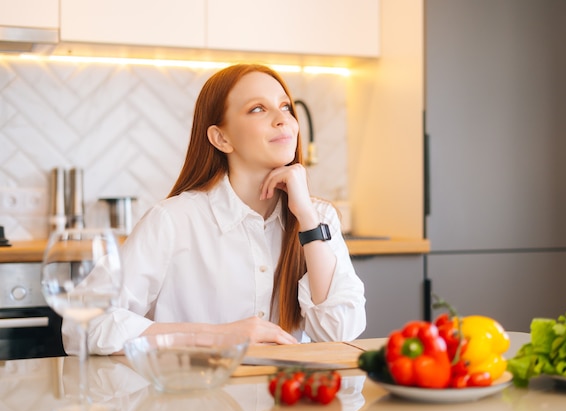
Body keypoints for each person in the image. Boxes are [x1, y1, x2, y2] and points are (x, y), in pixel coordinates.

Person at [63, 63, 366, 355]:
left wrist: (308, 219)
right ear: (221, 138)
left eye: (285, 106)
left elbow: (339, 333)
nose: (282, 119)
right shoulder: (173, 221)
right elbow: (82, 325)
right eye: (258, 109)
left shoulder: (317, 218)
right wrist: (215, 337)